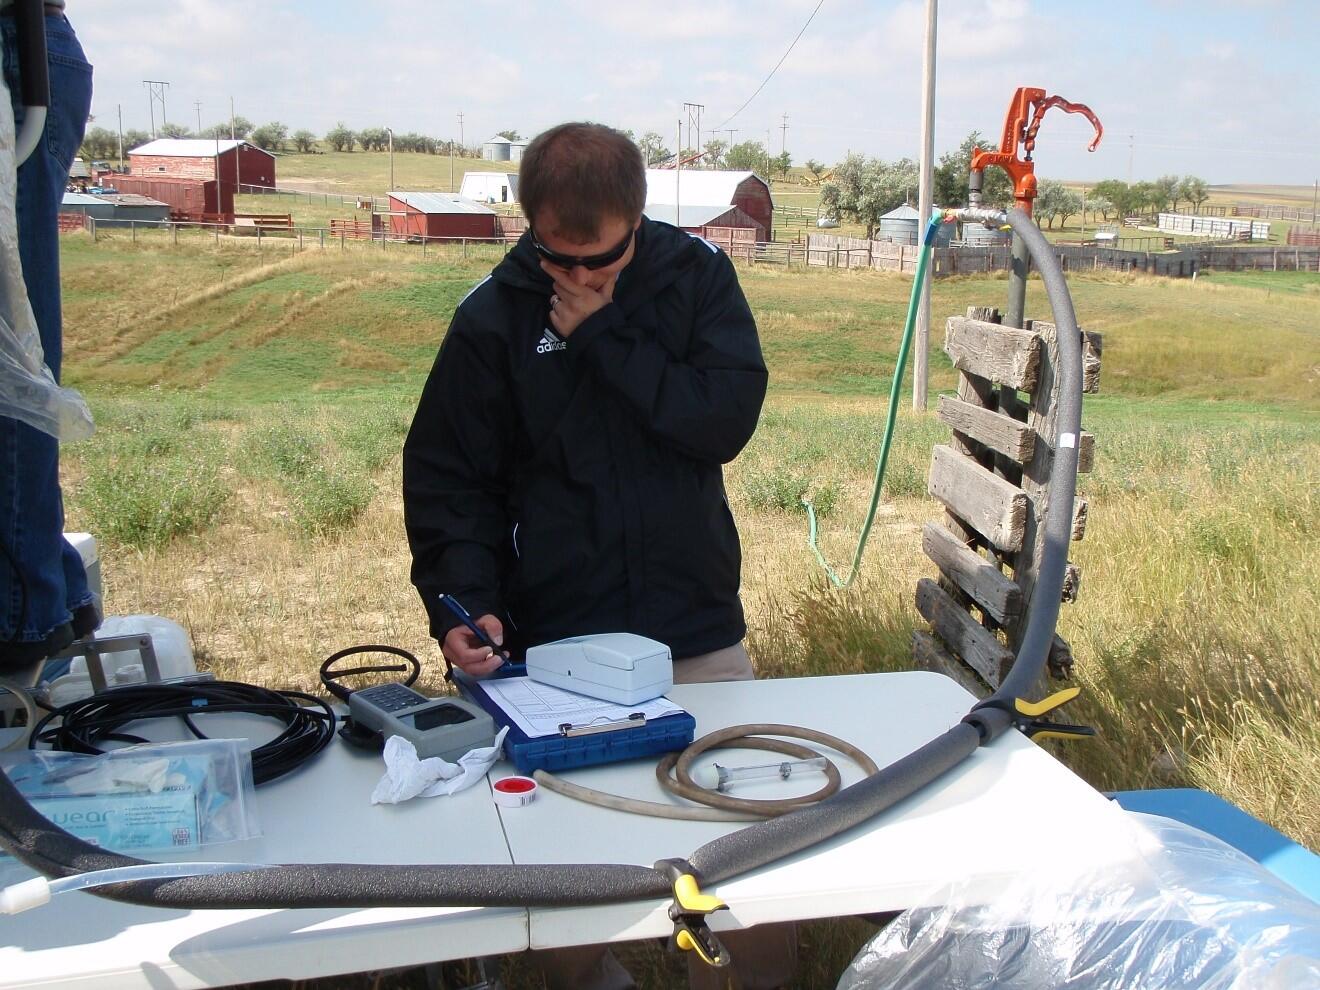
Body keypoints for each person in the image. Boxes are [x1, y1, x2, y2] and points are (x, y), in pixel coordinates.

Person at [403, 123, 793, 989]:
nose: (577, 278)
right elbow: (448, 480)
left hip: (691, 633)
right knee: (558, 904)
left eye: (601, 260)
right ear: (530, 222)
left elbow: (721, 423)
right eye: (557, 258)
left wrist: (605, 333)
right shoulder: (491, 318)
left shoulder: (697, 282)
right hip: (551, 652)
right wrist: (462, 601)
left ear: (639, 220)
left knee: (745, 871)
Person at [0, 2, 98, 679]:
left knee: (11, 352)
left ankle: (23, 606)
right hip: (26, 46)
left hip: (16, 43)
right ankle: (40, 588)